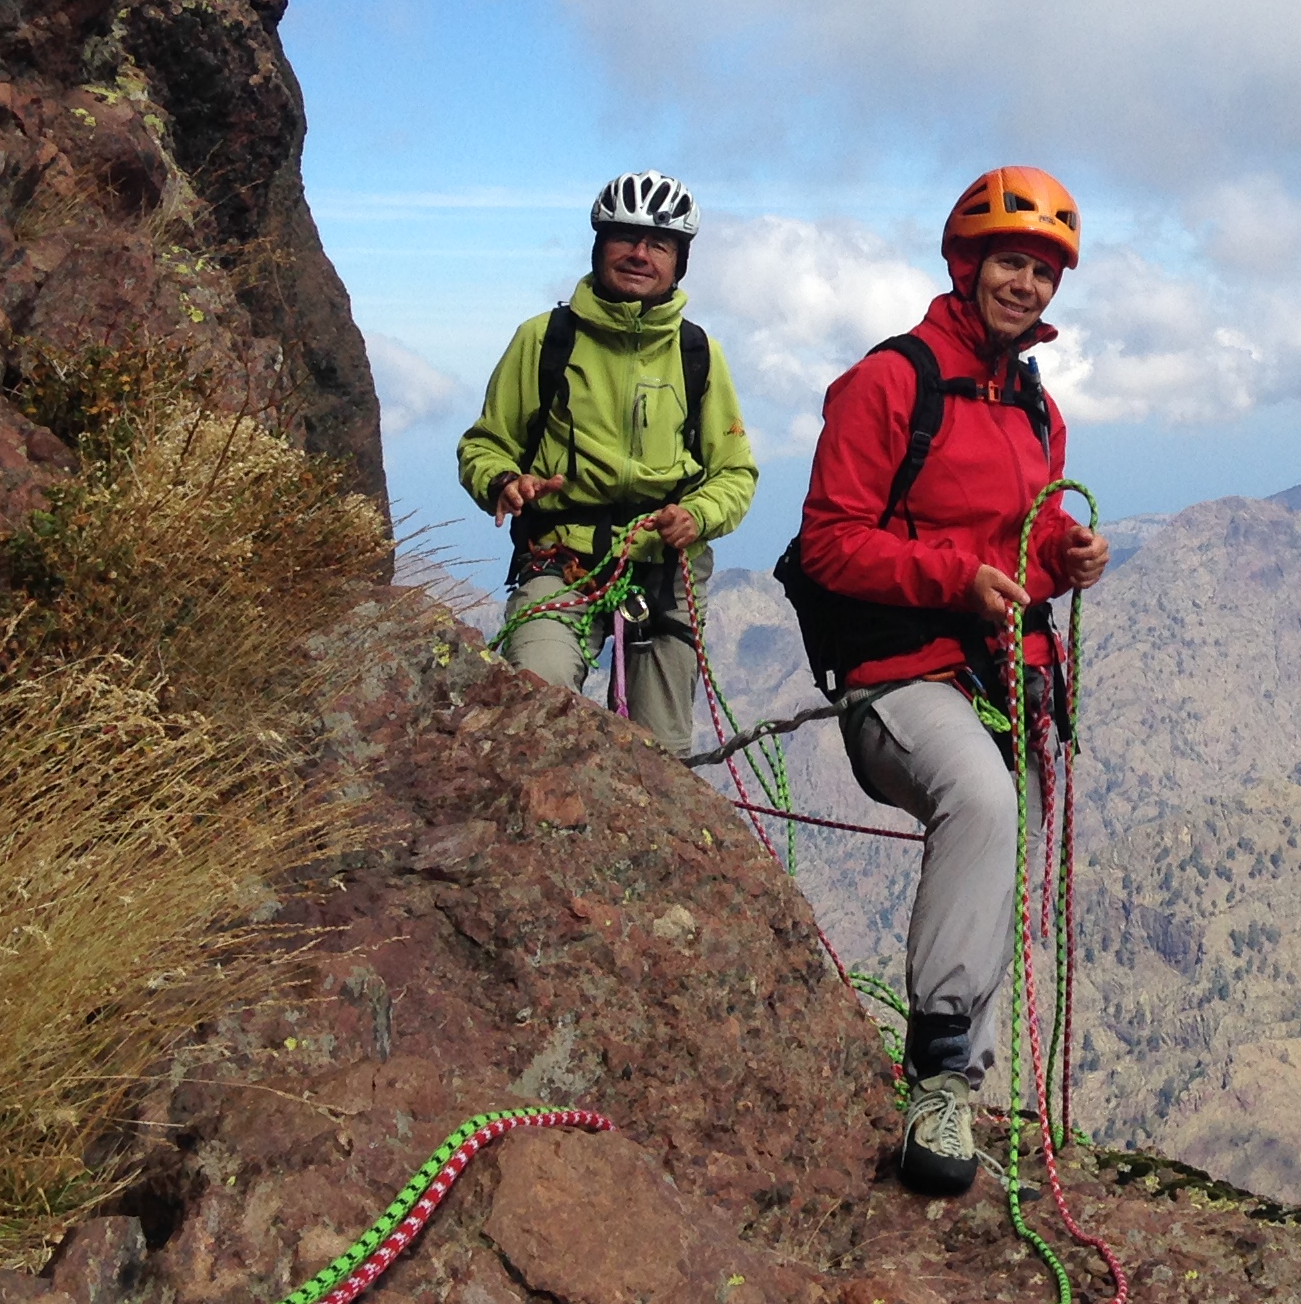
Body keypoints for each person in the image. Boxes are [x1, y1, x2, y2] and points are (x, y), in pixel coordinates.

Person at [784, 165, 1110, 1195]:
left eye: (1045, 270)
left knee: (999, 825)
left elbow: (1029, 533)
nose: (1029, 285)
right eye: (1012, 262)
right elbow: (829, 545)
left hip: (991, 672)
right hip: (894, 675)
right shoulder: (891, 382)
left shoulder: (1034, 408)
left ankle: (958, 1085)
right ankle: (937, 1081)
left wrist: (1067, 557)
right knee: (978, 796)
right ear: (967, 264)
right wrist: (952, 583)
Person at [459, 172, 756, 759]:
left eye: (659, 245)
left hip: (663, 570)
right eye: (625, 238)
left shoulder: (697, 354)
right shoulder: (545, 340)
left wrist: (696, 515)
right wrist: (503, 481)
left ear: (679, 263)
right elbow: (484, 443)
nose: (640, 254)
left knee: (661, 754)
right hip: (560, 557)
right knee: (532, 700)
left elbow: (735, 472)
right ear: (599, 247)